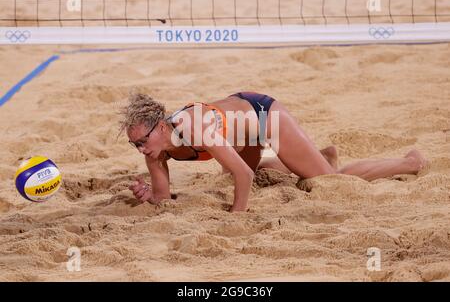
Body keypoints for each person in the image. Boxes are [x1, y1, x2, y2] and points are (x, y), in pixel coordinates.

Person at [122, 92, 427, 212]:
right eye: (134, 143)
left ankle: (409, 162)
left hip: (264, 117)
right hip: (240, 129)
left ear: (161, 127)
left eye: (142, 141)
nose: (140, 149)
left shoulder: (195, 129)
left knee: (327, 179)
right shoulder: (154, 150)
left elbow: (244, 175)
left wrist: (237, 215)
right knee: (233, 171)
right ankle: (320, 155)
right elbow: (162, 196)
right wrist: (147, 193)